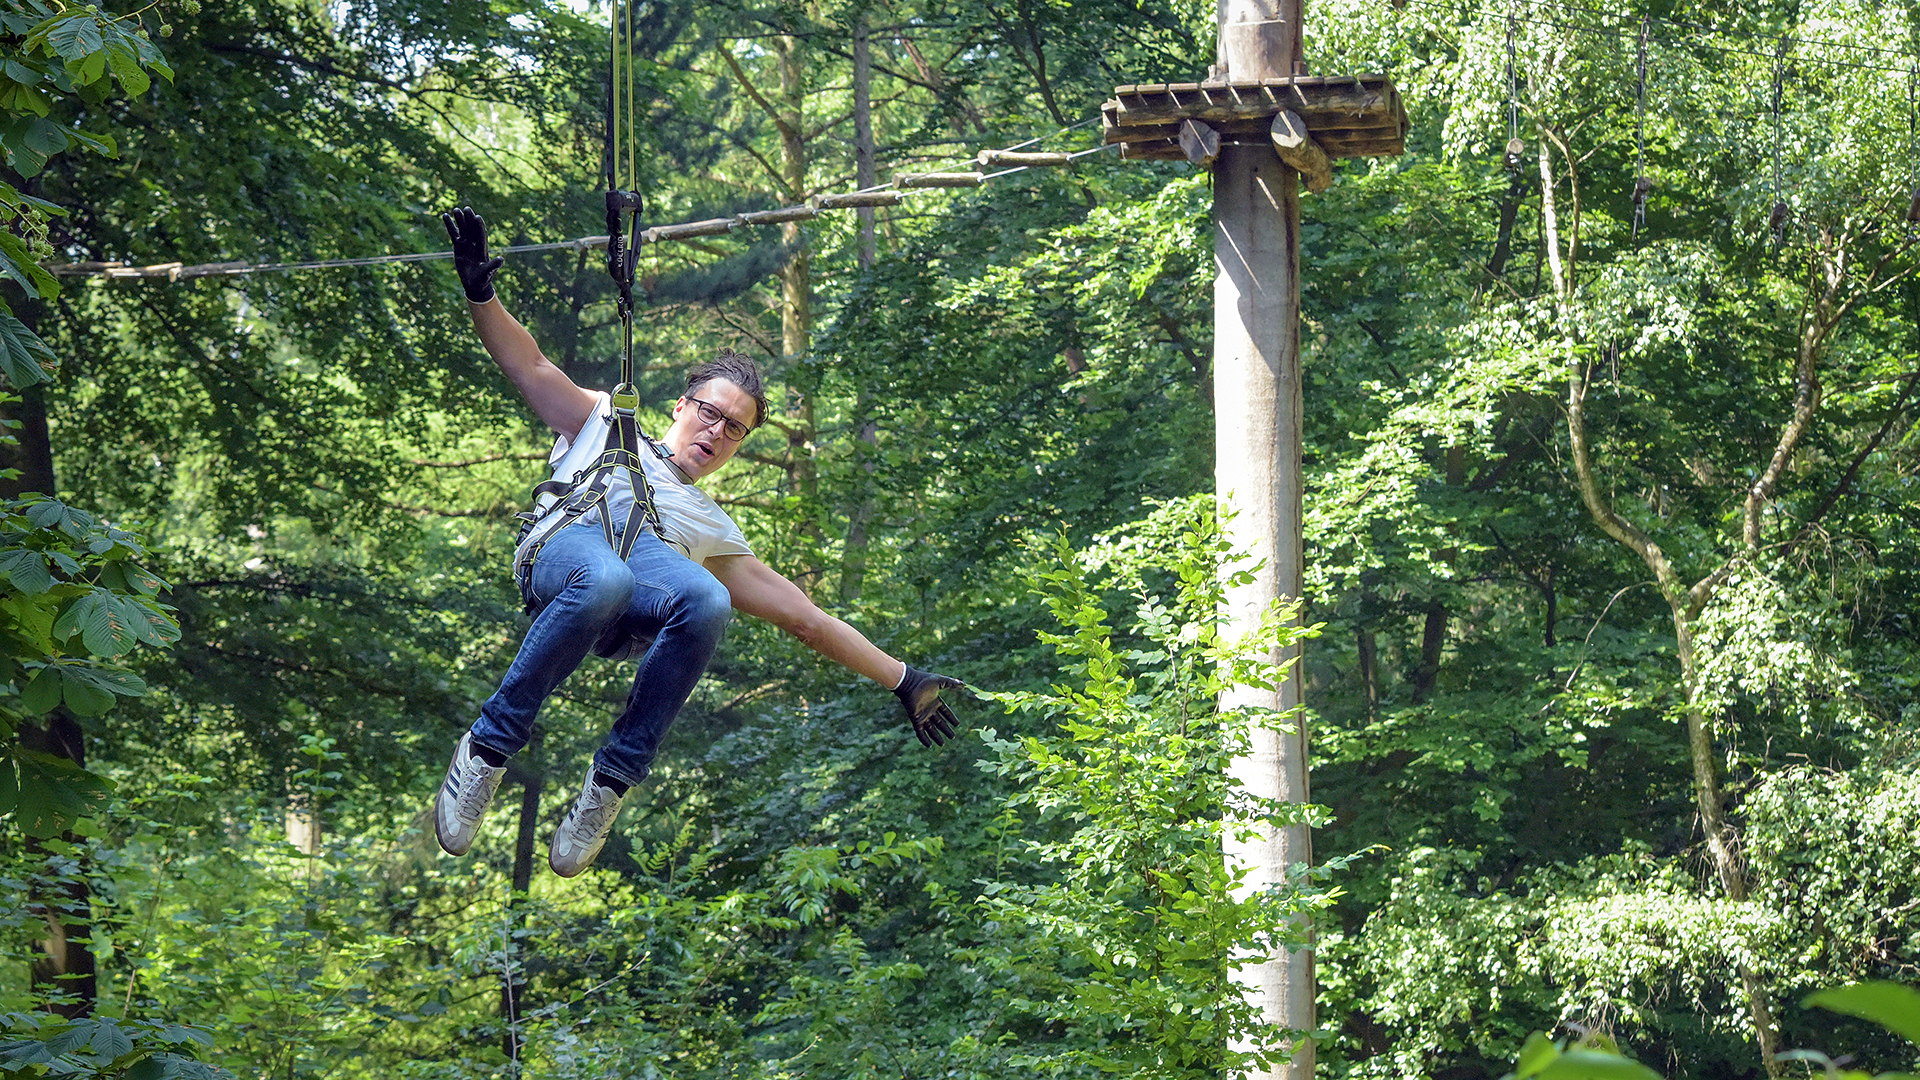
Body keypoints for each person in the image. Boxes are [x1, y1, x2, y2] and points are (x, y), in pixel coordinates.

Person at [432, 206, 965, 877]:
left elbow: (805, 616)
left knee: (709, 599)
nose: (716, 430)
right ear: (681, 406)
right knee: (606, 578)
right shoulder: (603, 421)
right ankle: (487, 749)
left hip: (630, 591)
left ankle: (610, 785)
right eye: (709, 411)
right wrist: (481, 293)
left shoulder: (709, 526)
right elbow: (529, 364)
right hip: (565, 549)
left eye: (735, 428)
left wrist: (902, 678)